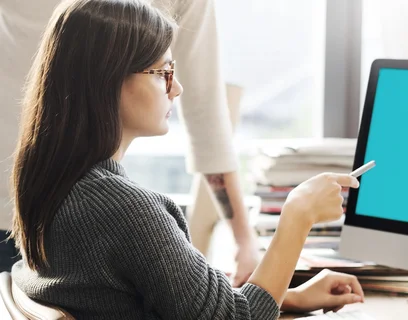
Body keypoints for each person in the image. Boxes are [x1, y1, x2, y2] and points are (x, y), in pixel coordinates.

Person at [8, 0, 365, 319]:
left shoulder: (53, 186)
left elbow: (172, 300)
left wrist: (288, 297)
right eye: (162, 73)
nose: (176, 88)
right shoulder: (123, 210)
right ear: (108, 80)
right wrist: (298, 214)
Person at [0, 0, 261, 284]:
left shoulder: (122, 208)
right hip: (32, 211)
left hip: (39, 204)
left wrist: (243, 240)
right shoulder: (133, 214)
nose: (175, 88)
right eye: (163, 74)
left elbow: (206, 116)